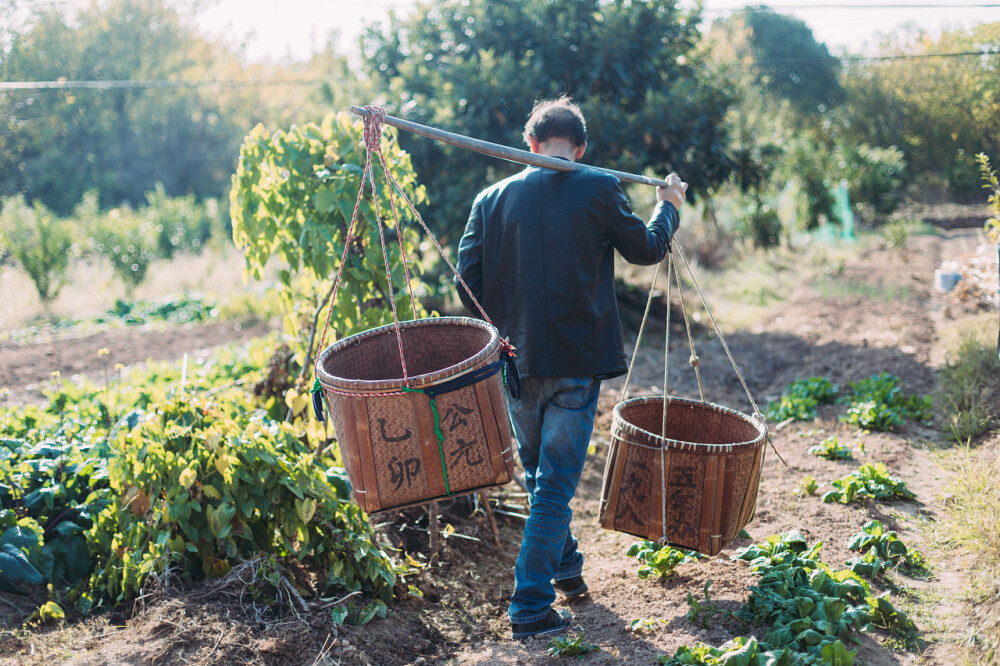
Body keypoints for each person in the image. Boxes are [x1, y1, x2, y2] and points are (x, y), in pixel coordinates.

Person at [455, 96, 688, 639]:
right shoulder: (599, 185)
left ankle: (567, 572)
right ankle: (531, 606)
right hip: (576, 362)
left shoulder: (489, 199)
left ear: (529, 143)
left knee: (543, 479)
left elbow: (466, 284)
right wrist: (669, 203)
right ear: (579, 147)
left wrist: (508, 324)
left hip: (516, 364)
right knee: (555, 486)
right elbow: (648, 249)